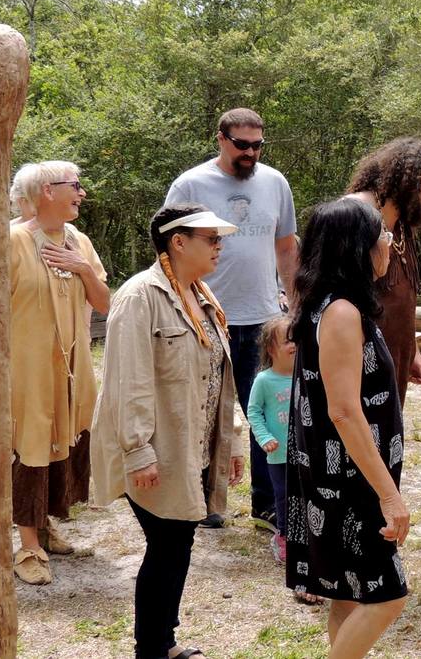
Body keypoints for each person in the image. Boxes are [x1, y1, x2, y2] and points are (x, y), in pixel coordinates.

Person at [91, 203, 246, 659]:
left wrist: (231, 441)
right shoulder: (140, 297)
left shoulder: (200, 295)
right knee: (169, 543)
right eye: (211, 238)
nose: (219, 246)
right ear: (178, 242)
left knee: (176, 542)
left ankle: (161, 642)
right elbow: (128, 381)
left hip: (190, 445)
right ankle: (156, 647)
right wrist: (139, 451)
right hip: (156, 448)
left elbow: (219, 378)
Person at [283, 197, 409, 658]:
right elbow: (344, 411)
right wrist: (389, 494)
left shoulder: (328, 304)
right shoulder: (340, 313)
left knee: (346, 591)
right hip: (348, 480)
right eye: (384, 237)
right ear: (359, 248)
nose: (390, 246)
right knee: (387, 596)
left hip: (338, 475)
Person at [165, 107, 298, 531]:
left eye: (258, 145)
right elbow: (170, 247)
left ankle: (267, 505)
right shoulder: (191, 184)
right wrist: (179, 302)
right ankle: (204, 501)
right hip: (206, 317)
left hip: (262, 318)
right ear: (220, 138)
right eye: (242, 144)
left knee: (268, 412)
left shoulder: (275, 182)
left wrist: (293, 305)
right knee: (205, 413)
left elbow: (286, 248)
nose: (251, 152)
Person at [7, 161, 109, 585]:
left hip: (70, 365)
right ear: (47, 191)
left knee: (60, 436)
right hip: (24, 367)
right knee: (29, 440)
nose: (81, 192)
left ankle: (45, 528)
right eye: (75, 186)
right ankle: (27, 545)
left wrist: (82, 267)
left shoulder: (79, 241)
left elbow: (104, 302)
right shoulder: (11, 240)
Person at [345, 137, 421, 406]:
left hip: (394, 358)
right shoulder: (356, 214)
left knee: (387, 443)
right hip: (357, 359)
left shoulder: (402, 224)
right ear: (406, 177)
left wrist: (412, 352)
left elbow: (403, 299)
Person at [249, 315, 295, 563]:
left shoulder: (305, 376)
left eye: (296, 339)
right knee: (284, 498)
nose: (294, 345)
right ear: (270, 349)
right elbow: (253, 412)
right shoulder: (264, 380)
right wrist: (264, 437)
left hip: (305, 453)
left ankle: (305, 538)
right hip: (278, 455)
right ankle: (283, 538)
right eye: (287, 340)